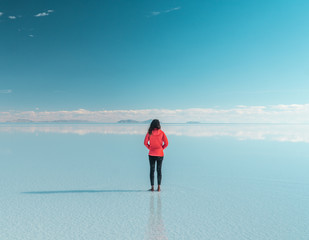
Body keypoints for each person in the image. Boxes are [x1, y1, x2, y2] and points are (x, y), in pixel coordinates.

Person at [144, 119, 168, 192]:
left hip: (151, 154)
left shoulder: (149, 133)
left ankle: (152, 187)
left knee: (152, 170)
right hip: (160, 154)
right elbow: (166, 143)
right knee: (159, 170)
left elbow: (145, 143)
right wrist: (161, 149)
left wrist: (150, 148)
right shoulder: (162, 133)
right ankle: (159, 187)